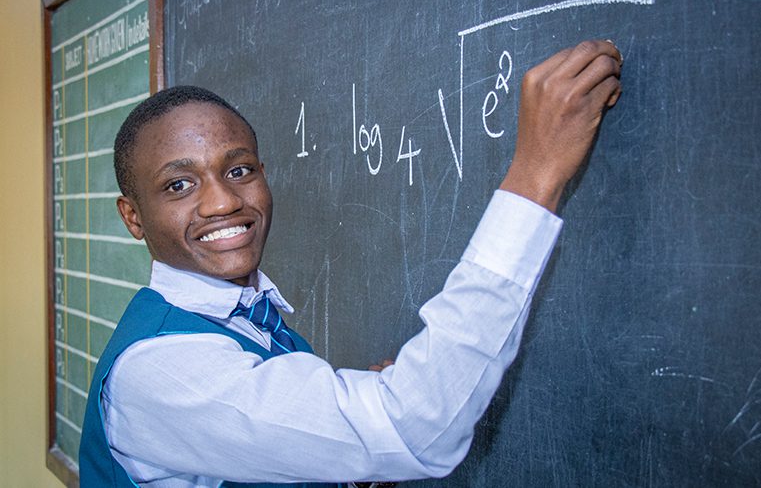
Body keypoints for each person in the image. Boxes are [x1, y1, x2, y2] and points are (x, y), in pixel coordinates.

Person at [79, 40, 623, 487]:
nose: (222, 202)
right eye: (179, 184)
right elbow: (414, 428)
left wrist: (351, 462)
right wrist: (535, 175)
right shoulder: (161, 372)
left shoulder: (245, 318)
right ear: (134, 217)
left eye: (239, 170)